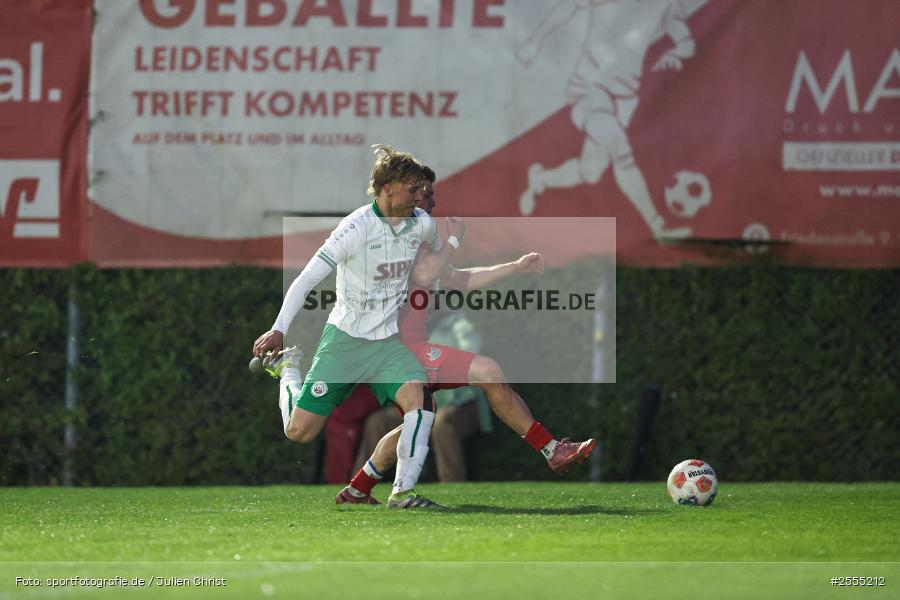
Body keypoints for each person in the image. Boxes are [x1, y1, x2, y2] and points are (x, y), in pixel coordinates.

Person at [336, 167, 597, 505]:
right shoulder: (398, 234)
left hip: (399, 349)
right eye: (425, 192)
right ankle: (551, 449)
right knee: (487, 371)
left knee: (416, 425)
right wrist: (456, 238)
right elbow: (427, 271)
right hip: (398, 350)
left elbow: (462, 277)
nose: (431, 200)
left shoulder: (414, 233)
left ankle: (358, 489)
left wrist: (514, 266)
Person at [252, 144, 465, 509]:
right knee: (299, 432)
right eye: (412, 190)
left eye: (420, 190)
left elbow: (433, 268)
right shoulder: (355, 228)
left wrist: (445, 263)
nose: (421, 197)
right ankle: (288, 369)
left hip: (386, 344)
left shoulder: (422, 225)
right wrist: (278, 328)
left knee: (421, 404)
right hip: (345, 342)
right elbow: (305, 279)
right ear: (387, 189)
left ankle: (402, 492)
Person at [516, 0, 707, 239]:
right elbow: (567, 7)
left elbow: (685, 42)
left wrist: (676, 53)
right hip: (589, 88)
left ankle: (539, 180)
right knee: (621, 151)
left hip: (624, 98)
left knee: (591, 172)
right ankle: (659, 228)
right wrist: (533, 43)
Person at [352, 312, 493, 483]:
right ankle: (358, 486)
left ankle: (453, 485)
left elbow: (471, 353)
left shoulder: (457, 324)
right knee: (377, 421)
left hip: (461, 405)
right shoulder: (404, 330)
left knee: (441, 422)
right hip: (421, 406)